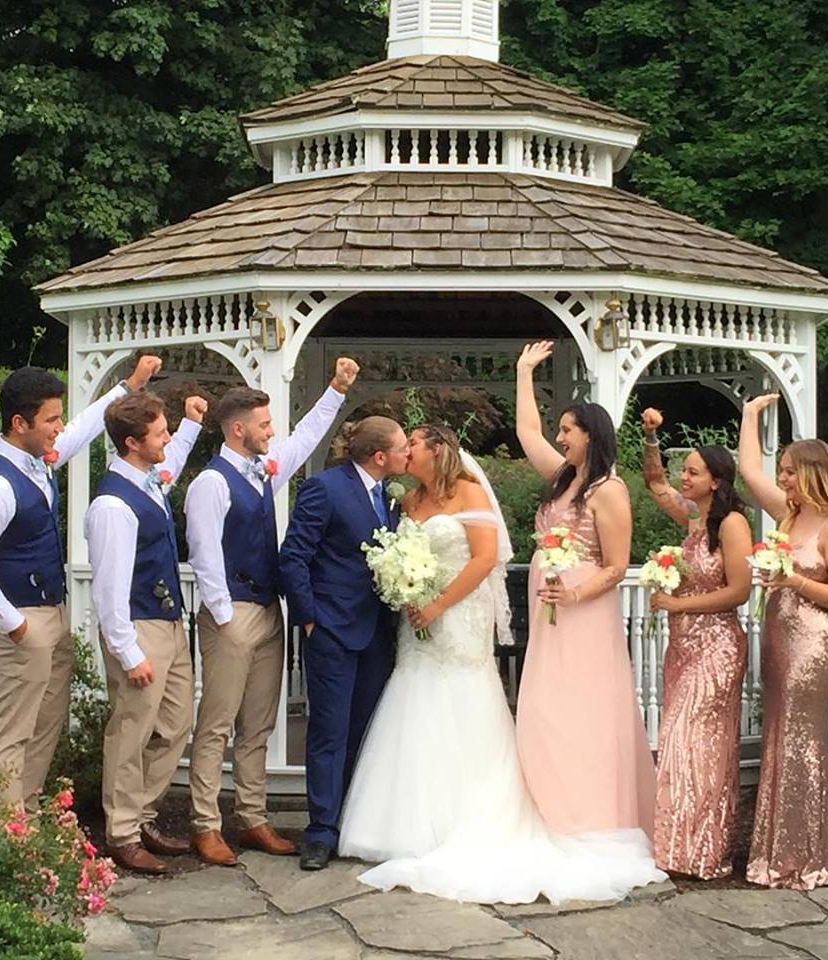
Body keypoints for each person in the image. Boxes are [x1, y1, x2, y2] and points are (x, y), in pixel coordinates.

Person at [339, 424, 665, 904]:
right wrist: (405, 587)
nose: (406, 449)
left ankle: (469, 817)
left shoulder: (469, 491)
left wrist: (439, 604)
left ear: (439, 449)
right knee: (415, 699)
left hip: (458, 617)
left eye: (414, 443)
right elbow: (401, 553)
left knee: (464, 701)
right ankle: (405, 824)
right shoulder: (407, 501)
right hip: (417, 619)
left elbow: (485, 558)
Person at [0, 356, 161, 811]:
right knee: (14, 732)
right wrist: (15, 626)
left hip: (51, 613)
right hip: (22, 621)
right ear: (18, 422)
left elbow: (83, 429)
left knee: (46, 724)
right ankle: (2, 833)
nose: (57, 427)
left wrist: (127, 388)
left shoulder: (36, 459)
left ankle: (23, 816)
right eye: (50, 419)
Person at [184, 358, 359, 866]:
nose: (272, 431)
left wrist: (335, 390)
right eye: (264, 425)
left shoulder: (262, 471)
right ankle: (205, 824)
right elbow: (204, 553)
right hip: (231, 615)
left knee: (258, 724)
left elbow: (303, 440)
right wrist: (221, 615)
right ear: (239, 430)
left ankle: (253, 817)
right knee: (216, 724)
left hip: (268, 609)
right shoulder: (211, 484)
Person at [515, 342, 657, 847]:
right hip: (549, 612)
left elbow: (617, 566)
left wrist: (575, 596)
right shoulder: (563, 481)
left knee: (583, 708)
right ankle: (550, 800)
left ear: (590, 436)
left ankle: (589, 810)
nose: (559, 438)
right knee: (546, 707)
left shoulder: (608, 491)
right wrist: (524, 372)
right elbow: (527, 433)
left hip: (585, 615)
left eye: (567, 432)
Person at [739, 394, 828, 889]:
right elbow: (750, 473)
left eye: (790, 471)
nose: (783, 478)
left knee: (802, 739)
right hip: (777, 637)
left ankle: (809, 854)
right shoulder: (788, 517)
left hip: (813, 642)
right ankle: (776, 850)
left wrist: (795, 582)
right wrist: (750, 416)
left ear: (813, 473)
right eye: (783, 470)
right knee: (779, 735)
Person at [279, 416, 410, 871]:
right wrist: (310, 619)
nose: (408, 453)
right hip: (332, 630)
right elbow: (294, 555)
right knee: (328, 732)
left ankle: (354, 822)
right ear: (380, 456)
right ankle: (320, 831)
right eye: (402, 447)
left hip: (378, 630)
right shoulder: (326, 488)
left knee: (365, 730)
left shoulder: (390, 498)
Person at [85, 391, 207, 874]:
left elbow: (168, 466)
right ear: (134, 443)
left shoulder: (146, 481)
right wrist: (127, 651)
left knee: (177, 724)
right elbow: (107, 588)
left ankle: (144, 814)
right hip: (136, 625)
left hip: (169, 622)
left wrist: (193, 424)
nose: (169, 438)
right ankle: (122, 833)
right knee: (131, 731)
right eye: (162, 433)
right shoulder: (113, 506)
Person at [641, 407, 752, 879]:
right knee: (679, 743)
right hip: (682, 649)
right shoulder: (692, 519)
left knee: (695, 743)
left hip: (717, 648)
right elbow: (654, 484)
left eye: (692, 471)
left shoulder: (731, 525)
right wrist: (649, 437)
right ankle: (677, 847)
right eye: (683, 470)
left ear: (715, 480)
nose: (683, 477)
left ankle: (703, 849)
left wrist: (679, 604)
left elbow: (740, 590)